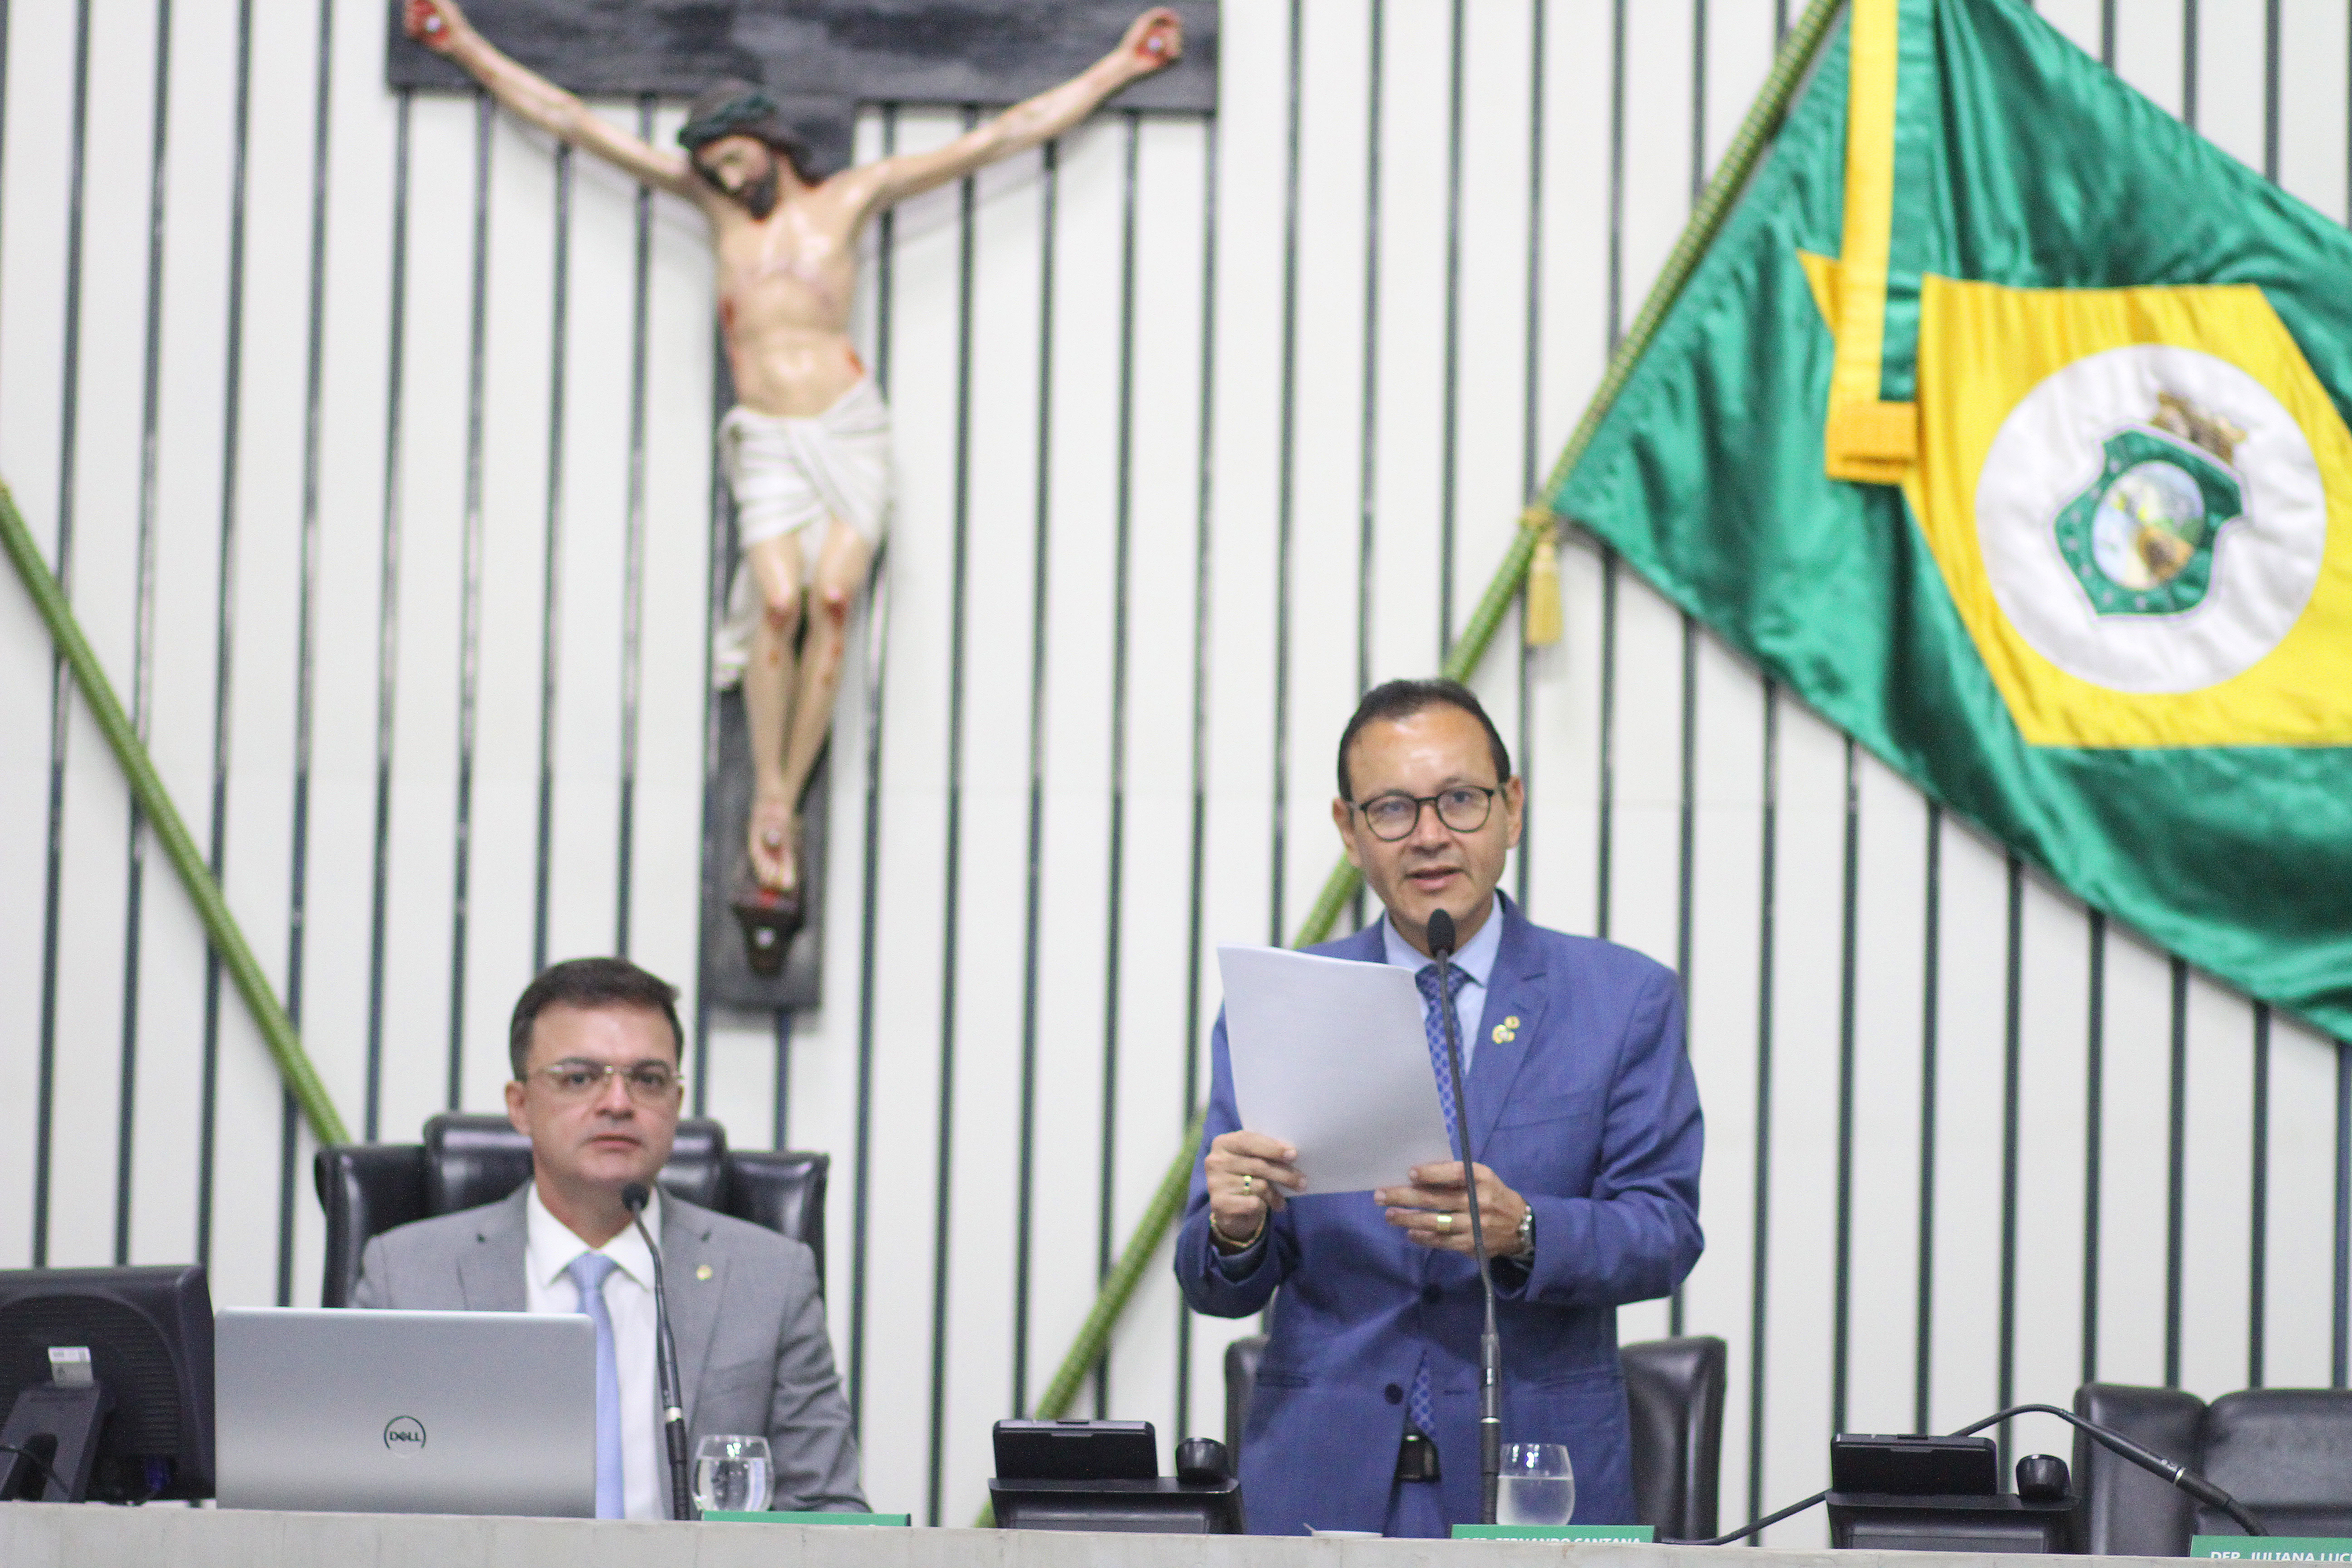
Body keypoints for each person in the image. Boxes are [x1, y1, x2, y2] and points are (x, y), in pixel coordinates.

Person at [404, 0, 1183, 953]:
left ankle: (784, 799)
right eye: (710, 165)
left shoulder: (846, 201)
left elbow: (1000, 136)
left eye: (732, 157)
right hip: (771, 439)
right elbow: (573, 121)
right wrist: (466, 44)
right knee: (777, 603)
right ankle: (773, 799)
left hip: (847, 427)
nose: (723, 175)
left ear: (768, 142)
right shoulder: (712, 211)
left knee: (836, 598)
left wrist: (1118, 67)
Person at [1174, 680, 1705, 1538]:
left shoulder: (1621, 999)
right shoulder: (1281, 1005)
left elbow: (1662, 1233)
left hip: (1532, 1483)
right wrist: (1234, 1229)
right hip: (1319, 1487)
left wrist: (1525, 1228)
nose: (1428, 835)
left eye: (1459, 800)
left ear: (1512, 807)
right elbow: (1214, 1280)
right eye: (1391, 809)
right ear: (1349, 830)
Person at [353, 957, 862, 1518]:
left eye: (648, 1080)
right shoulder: (408, 1276)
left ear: (676, 1102)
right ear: (520, 1106)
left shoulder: (772, 1280)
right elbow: (347, 1503)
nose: (618, 1103)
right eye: (579, 1077)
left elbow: (829, 1513)